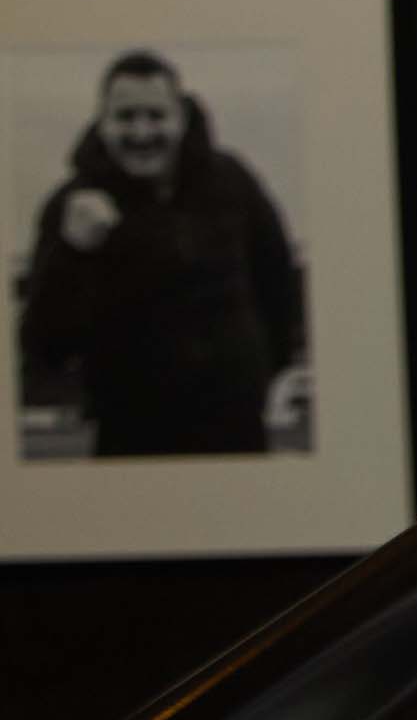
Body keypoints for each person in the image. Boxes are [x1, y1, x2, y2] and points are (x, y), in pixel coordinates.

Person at [17, 50, 308, 457]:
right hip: (129, 434)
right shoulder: (72, 205)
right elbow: (44, 345)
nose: (141, 132)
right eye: (125, 117)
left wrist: (261, 375)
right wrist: (72, 252)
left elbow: (277, 282)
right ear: (102, 122)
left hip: (235, 427)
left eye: (156, 115)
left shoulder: (233, 181)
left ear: (181, 117)